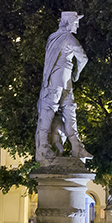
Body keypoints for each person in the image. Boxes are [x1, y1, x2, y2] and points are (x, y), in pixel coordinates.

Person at [36, 11, 91, 166]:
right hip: (63, 80)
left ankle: (48, 146)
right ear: (68, 22)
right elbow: (83, 58)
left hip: (56, 80)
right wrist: (77, 73)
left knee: (52, 111)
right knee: (66, 111)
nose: (77, 25)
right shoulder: (68, 38)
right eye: (75, 21)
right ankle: (73, 146)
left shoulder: (52, 38)